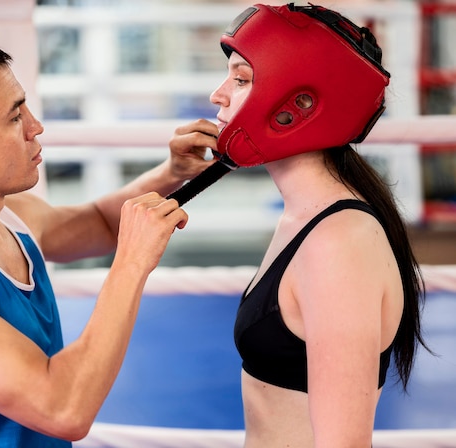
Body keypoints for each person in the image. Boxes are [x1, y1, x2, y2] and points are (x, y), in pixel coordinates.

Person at [0, 38, 214, 447]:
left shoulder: (13, 215)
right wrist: (132, 262)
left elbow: (101, 223)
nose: (36, 127)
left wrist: (172, 173)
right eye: (15, 118)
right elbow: (63, 409)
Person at [179, 3, 429, 447]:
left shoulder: (339, 242)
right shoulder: (305, 216)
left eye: (241, 79)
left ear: (299, 105)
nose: (218, 94)